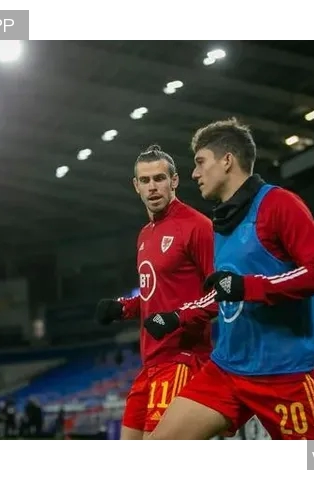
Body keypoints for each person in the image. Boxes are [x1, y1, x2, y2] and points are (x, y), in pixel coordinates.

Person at [143, 118, 314, 440]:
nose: (194, 173)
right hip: (227, 369)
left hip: (283, 374)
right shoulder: (223, 222)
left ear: (227, 160)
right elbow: (226, 291)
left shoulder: (279, 204)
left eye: (200, 162)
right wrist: (177, 317)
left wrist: (249, 286)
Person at [94, 145, 216, 439]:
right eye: (145, 180)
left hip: (182, 358)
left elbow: (222, 294)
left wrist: (177, 318)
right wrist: (124, 308)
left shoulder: (197, 226)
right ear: (136, 186)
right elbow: (155, 295)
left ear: (174, 181)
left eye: (159, 178)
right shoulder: (145, 234)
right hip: (150, 362)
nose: (152, 187)